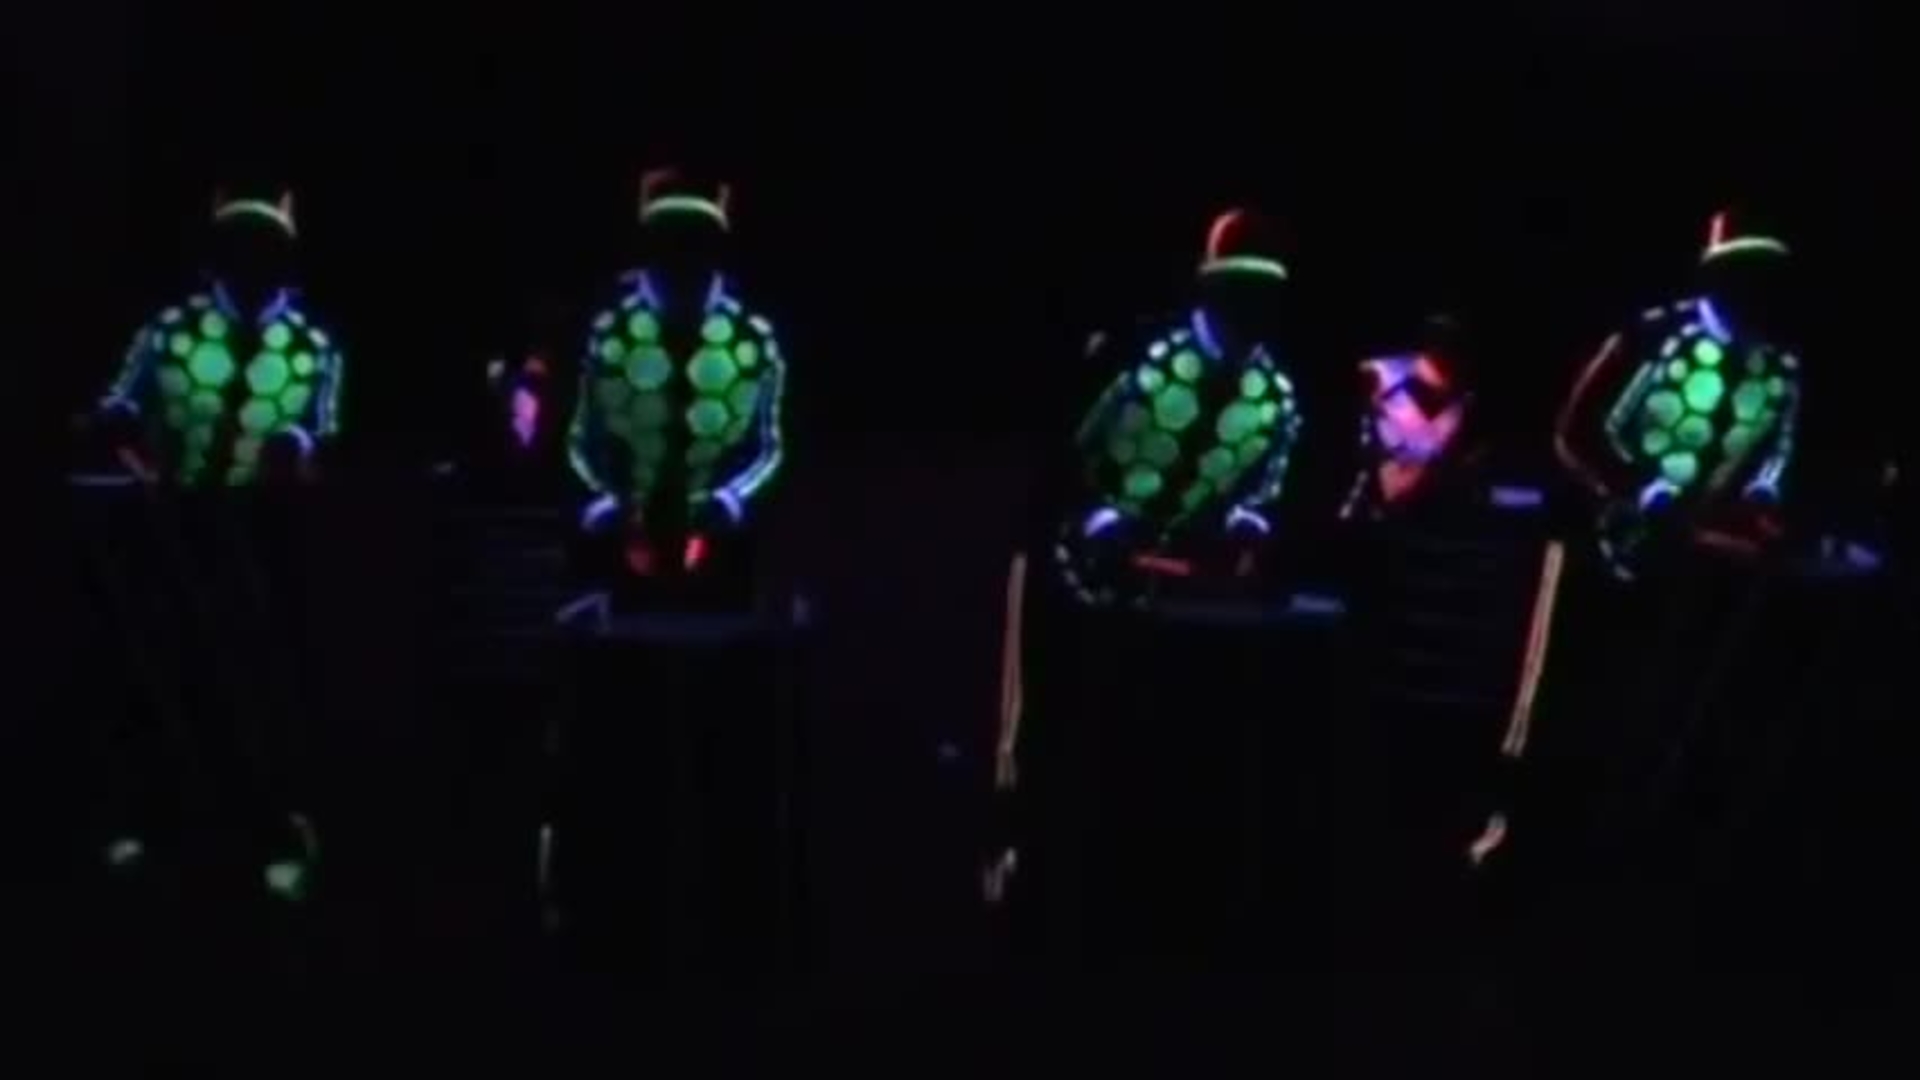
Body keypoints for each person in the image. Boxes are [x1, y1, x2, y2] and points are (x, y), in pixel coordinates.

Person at [1054, 208, 1306, 607]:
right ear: (1211, 287)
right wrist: (1095, 517)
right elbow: (1075, 440)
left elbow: (1263, 491)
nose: (1251, 306)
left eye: (1264, 293)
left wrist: (1247, 530)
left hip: (1183, 581)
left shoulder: (1277, 394)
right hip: (1078, 553)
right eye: (1240, 288)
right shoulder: (1141, 355)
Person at [565, 168, 786, 599]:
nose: (681, 253)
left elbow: (770, 444)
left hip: (727, 543)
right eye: (669, 237)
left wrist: (731, 499)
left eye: (694, 238)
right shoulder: (607, 332)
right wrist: (606, 498)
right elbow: (582, 434)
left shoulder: (754, 337)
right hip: (617, 535)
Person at [1555, 208, 1801, 579]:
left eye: (1767, 274)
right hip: (1603, 544)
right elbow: (1576, 432)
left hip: (1704, 564)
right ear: (1716, 274)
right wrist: (1639, 491)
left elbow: (1777, 451)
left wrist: (1761, 501)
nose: (1755, 288)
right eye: (1745, 271)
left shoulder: (1780, 361)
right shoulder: (1650, 334)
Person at [95, 190, 343, 487]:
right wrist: (121, 429)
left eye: (265, 244)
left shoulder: (316, 346)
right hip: (169, 501)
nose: (251, 257)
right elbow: (121, 402)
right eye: (240, 243)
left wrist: (300, 445)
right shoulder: (168, 328)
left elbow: (325, 434)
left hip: (268, 507)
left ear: (285, 257)